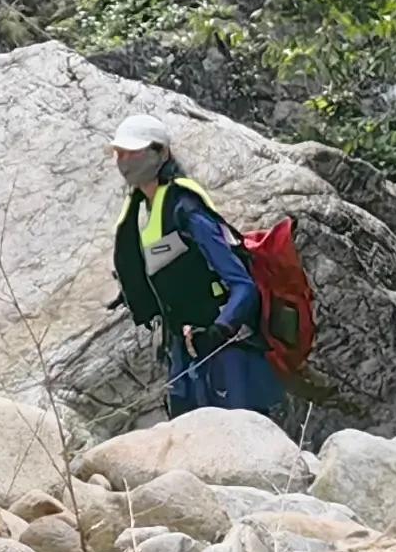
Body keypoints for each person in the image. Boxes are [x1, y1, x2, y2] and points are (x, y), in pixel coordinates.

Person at [109, 113, 285, 417]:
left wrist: (218, 332)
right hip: (181, 350)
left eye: (134, 152)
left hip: (227, 351)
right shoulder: (139, 209)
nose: (125, 161)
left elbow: (244, 286)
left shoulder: (186, 208)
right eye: (119, 153)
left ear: (161, 153)